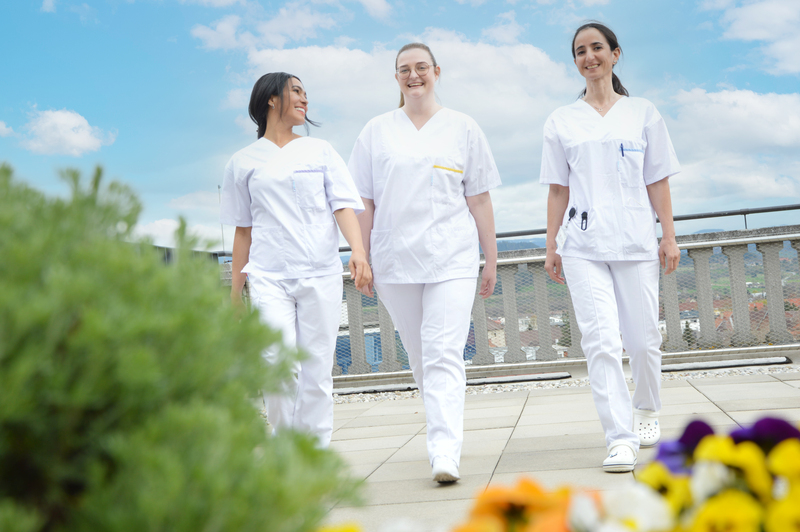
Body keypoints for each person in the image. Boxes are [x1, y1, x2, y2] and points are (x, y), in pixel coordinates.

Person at [348, 43, 501, 483]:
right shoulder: (376, 131)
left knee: (443, 351)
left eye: (420, 68)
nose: (413, 76)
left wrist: (490, 259)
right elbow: (363, 201)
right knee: (420, 357)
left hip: (452, 256)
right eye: (404, 70)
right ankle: (442, 431)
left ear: (436, 71)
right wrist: (361, 255)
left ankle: (444, 450)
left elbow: (479, 198)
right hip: (394, 260)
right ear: (396, 77)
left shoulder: (463, 127)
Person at [540, 22, 681, 472]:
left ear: (615, 54)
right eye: (580, 51)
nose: (590, 57)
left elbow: (657, 178)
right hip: (582, 244)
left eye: (597, 47)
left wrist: (668, 234)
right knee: (600, 343)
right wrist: (551, 244)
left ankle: (647, 408)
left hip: (635, 241)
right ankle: (619, 438)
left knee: (643, 340)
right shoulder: (562, 120)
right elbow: (558, 188)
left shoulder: (642, 113)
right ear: (575, 61)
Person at [221, 72, 372, 448]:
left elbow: (342, 206)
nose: (305, 99)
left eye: (306, 93)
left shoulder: (320, 151)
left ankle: (315, 451)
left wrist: (357, 251)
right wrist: (236, 293)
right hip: (269, 276)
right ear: (271, 99)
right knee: (276, 362)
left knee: (316, 368)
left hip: (320, 272)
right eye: (296, 92)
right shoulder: (242, 162)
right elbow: (243, 230)